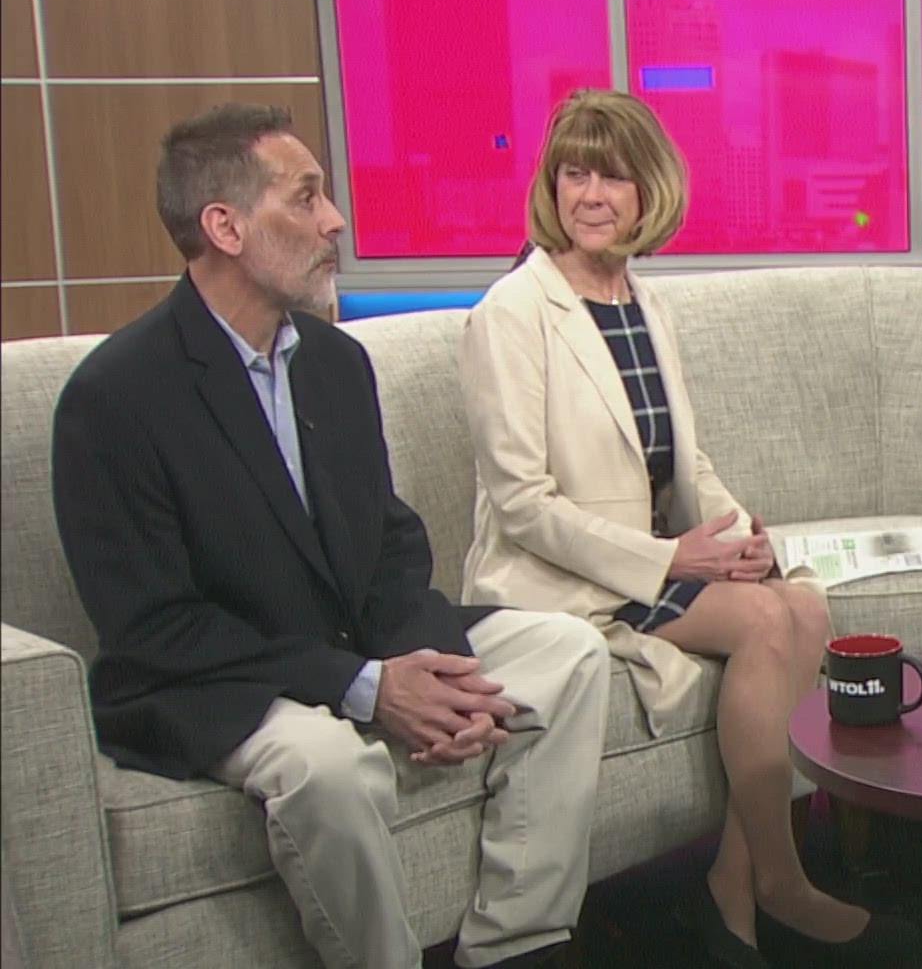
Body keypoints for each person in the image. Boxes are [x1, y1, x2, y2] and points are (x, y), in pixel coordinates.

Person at [50, 104, 612, 969]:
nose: (335, 221)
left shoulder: (335, 361)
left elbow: (388, 544)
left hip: (354, 646)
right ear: (225, 226)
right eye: (307, 198)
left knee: (570, 655)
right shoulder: (116, 397)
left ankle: (515, 944)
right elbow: (155, 627)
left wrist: (431, 669)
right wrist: (363, 688)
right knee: (328, 768)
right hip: (217, 679)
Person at [458, 89, 921, 969]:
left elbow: (682, 462)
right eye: (575, 173)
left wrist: (737, 529)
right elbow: (522, 503)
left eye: (614, 176)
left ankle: (733, 893)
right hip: (558, 581)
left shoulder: (642, 302)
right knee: (760, 620)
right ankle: (779, 883)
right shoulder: (513, 314)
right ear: (551, 186)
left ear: (648, 191)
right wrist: (673, 555)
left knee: (805, 606)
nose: (592, 195)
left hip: (646, 560)